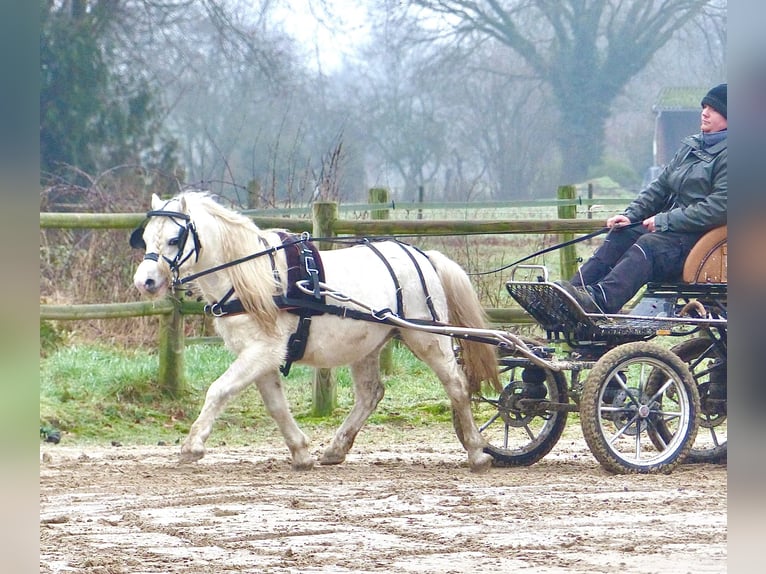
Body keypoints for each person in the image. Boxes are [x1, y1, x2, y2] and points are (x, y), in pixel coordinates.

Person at [557, 83, 728, 314]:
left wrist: (665, 221)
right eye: (704, 106)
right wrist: (630, 216)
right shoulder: (692, 146)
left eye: (714, 109)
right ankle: (572, 294)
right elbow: (659, 187)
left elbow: (720, 207)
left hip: (699, 239)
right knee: (623, 234)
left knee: (649, 245)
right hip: (674, 231)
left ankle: (600, 300)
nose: (704, 112)